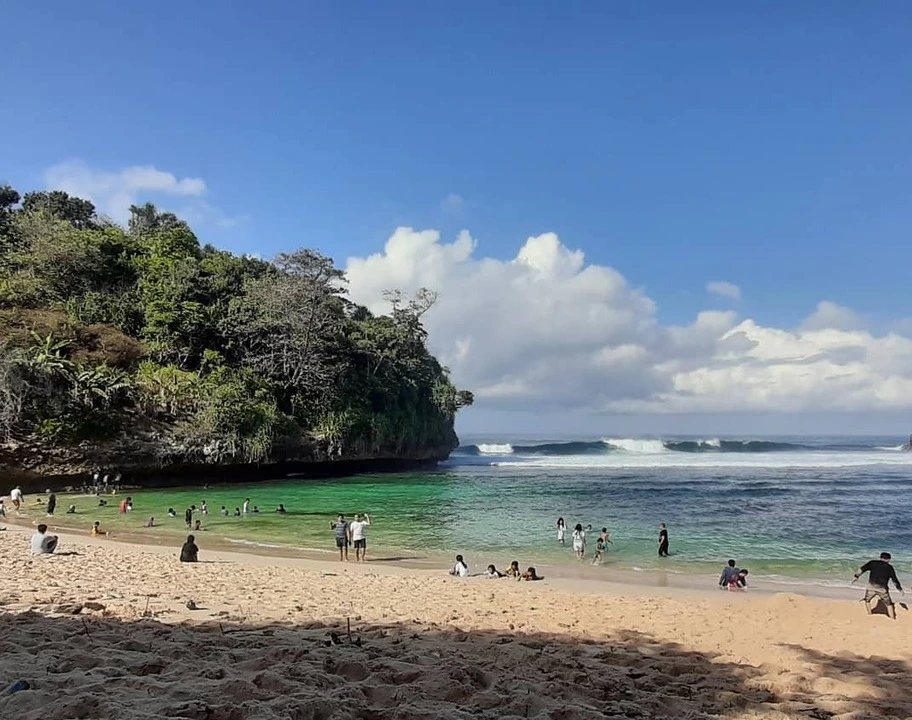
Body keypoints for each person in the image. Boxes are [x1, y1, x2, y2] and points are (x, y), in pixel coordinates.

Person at [854, 552, 904, 619]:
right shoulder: (890, 567)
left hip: (871, 587)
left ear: (881, 558)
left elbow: (861, 569)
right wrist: (900, 589)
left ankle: (870, 614)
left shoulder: (872, 563)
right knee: (889, 604)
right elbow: (894, 580)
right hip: (882, 590)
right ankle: (892, 618)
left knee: (867, 600)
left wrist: (856, 576)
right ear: (888, 559)